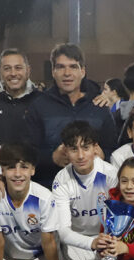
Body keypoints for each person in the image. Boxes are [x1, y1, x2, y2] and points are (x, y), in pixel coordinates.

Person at [26, 43, 117, 188]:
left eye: (73, 66)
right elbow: (27, 153)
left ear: (83, 71)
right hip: (50, 188)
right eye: (61, 67)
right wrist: (51, 158)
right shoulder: (39, 106)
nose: (67, 73)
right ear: (53, 71)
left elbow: (113, 149)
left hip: (94, 192)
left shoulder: (99, 105)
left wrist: (103, 156)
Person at [52, 121, 118, 260]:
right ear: (65, 151)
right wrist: (90, 243)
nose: (80, 155)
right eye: (74, 149)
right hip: (74, 247)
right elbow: (63, 232)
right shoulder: (61, 179)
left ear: (95, 148)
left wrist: (105, 247)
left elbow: (118, 224)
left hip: (106, 246)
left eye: (86, 148)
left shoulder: (111, 175)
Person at [0, 48, 41, 146]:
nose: (13, 73)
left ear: (28, 70)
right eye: (7, 68)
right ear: (0, 72)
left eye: (18, 68)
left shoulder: (42, 101)